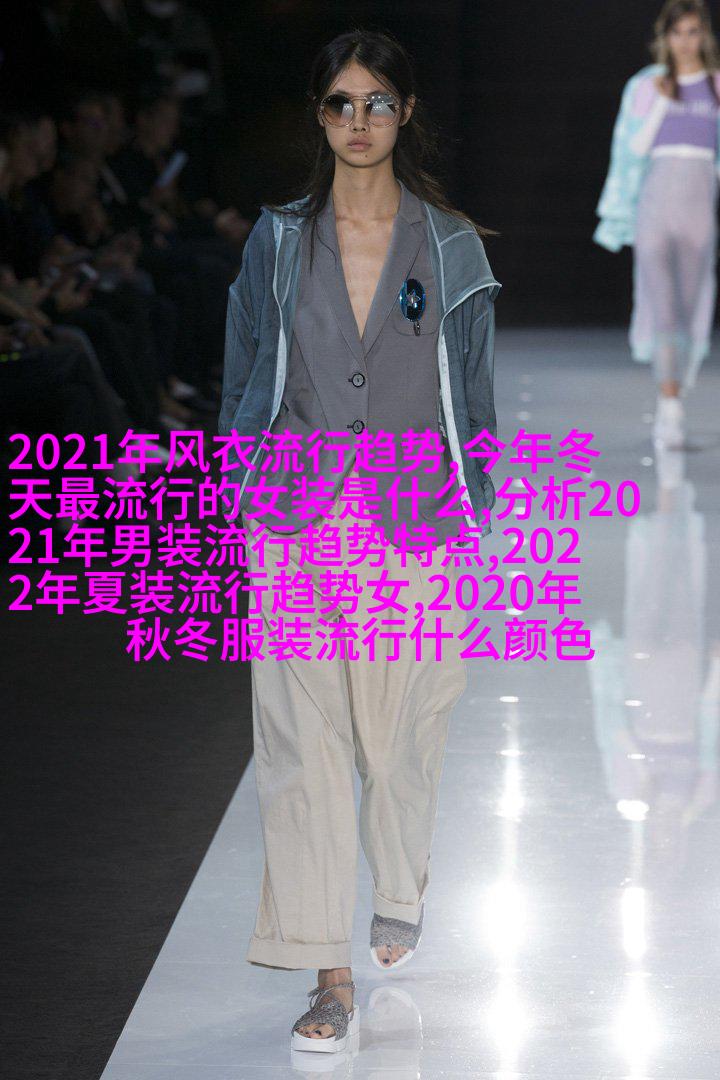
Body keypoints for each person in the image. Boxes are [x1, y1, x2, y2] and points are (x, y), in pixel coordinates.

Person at [219, 28, 501, 1053]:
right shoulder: (278, 240)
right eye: (341, 103)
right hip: (294, 517)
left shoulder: (452, 246)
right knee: (301, 744)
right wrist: (239, 486)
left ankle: (398, 882)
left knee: (402, 732)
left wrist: (472, 511)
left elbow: (476, 397)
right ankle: (326, 974)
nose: (358, 121)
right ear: (320, 115)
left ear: (406, 113)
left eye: (377, 102)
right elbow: (244, 369)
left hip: (414, 519)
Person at [593, 0, 720, 450]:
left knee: (690, 306)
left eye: (693, 31)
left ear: (704, 35)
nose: (685, 41)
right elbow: (631, 150)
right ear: (665, 37)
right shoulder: (646, 85)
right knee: (662, 304)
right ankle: (670, 410)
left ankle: (676, 396)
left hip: (698, 208)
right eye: (677, 32)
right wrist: (664, 102)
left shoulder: (716, 84)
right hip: (654, 205)